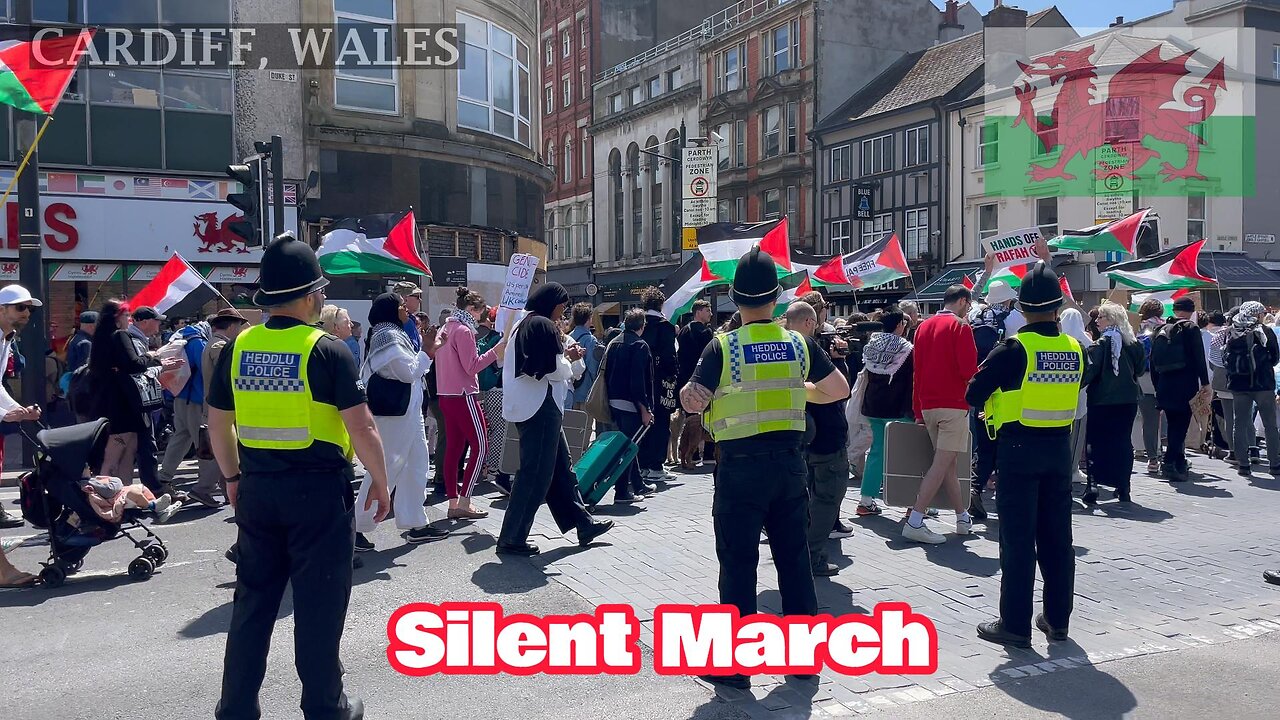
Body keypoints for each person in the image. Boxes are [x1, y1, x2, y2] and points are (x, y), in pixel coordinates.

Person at [208, 233, 390, 720]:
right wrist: (380, 480)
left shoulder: (238, 346)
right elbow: (362, 426)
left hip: (258, 490)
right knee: (318, 605)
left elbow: (217, 421)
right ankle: (325, 706)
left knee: (252, 606)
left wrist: (231, 479)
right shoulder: (327, 350)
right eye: (322, 292)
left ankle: (237, 708)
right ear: (310, 295)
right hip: (318, 496)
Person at [680, 247, 849, 690]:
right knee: (793, 560)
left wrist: (694, 395)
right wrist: (796, 388)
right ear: (776, 297)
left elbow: (693, 399)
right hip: (790, 468)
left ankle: (735, 666)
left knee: (738, 563)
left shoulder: (723, 346)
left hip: (740, 471)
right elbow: (838, 389)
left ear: (734, 299)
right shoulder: (799, 342)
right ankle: (803, 659)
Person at [967, 259, 1084, 649]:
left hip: (1017, 452)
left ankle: (1015, 624)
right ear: (1057, 306)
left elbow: (973, 393)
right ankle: (1057, 620)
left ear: (1021, 307)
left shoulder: (1013, 349)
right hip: (1058, 451)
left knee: (1017, 541)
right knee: (1057, 539)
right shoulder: (1075, 348)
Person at [496, 282, 613, 555]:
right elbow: (553, 370)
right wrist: (568, 358)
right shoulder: (542, 325)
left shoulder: (525, 323)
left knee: (561, 469)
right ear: (554, 304)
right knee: (535, 475)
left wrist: (563, 359)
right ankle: (512, 537)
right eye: (562, 306)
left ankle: (583, 523)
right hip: (540, 407)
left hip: (533, 405)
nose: (563, 312)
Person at [355, 293, 447, 549]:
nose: (407, 310)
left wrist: (428, 350)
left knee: (416, 465)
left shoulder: (392, 332)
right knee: (385, 469)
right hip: (394, 415)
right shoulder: (387, 335)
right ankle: (355, 526)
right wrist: (428, 351)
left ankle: (415, 523)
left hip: (407, 412)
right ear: (391, 310)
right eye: (402, 306)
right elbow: (407, 373)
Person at [905, 285, 977, 544]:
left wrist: (917, 409)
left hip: (928, 404)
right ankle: (915, 519)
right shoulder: (961, 327)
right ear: (962, 301)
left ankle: (962, 517)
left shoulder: (922, 327)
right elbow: (969, 370)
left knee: (947, 463)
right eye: (968, 304)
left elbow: (918, 371)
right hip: (954, 404)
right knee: (942, 463)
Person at [783, 301, 851, 578]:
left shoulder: (784, 348)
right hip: (825, 435)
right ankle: (811, 556)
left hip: (802, 434)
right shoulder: (808, 349)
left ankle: (803, 553)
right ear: (810, 322)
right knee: (827, 497)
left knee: (810, 496)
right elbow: (841, 389)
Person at [87, 300, 183, 489]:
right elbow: (135, 364)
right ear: (116, 319)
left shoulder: (101, 339)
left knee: (126, 452)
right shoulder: (121, 335)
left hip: (113, 399)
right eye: (126, 315)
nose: (129, 319)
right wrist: (152, 356)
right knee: (118, 453)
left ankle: (123, 495)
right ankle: (107, 496)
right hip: (124, 403)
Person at [435, 287, 507, 519]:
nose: (480, 317)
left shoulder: (445, 327)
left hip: (446, 395)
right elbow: (472, 366)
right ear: (471, 309)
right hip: (464, 395)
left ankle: (453, 502)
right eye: (479, 313)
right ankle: (464, 500)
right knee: (481, 446)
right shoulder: (463, 330)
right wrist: (496, 352)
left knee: (454, 450)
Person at [1082, 301, 1146, 502]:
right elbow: (1140, 369)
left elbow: (1090, 372)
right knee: (1122, 443)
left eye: (1100, 317)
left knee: (1095, 442)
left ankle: (1093, 484)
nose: (1097, 320)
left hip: (1102, 399)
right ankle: (1123, 486)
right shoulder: (1133, 343)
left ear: (1111, 319)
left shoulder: (1099, 344)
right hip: (1127, 399)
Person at [856, 305, 914, 518]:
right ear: (900, 325)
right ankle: (913, 504)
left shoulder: (872, 344)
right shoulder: (906, 348)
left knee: (877, 451)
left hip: (873, 406)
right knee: (907, 454)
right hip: (897, 409)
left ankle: (866, 500)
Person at [189, 308, 249, 508]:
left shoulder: (213, 343)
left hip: (216, 405)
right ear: (231, 326)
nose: (240, 330)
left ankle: (226, 490)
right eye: (239, 326)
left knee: (224, 448)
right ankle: (202, 489)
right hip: (221, 406)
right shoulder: (220, 346)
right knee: (221, 449)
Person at [966, 282, 1015, 522]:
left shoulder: (975, 314)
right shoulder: (1008, 318)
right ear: (1007, 300)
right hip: (1004, 390)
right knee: (1002, 441)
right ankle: (1002, 490)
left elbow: (971, 297)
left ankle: (975, 487)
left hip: (980, 383)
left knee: (985, 442)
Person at [1150, 296, 1209, 482]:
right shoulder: (1191, 329)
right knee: (1179, 427)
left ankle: (1179, 460)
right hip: (1185, 383)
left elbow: (1152, 362)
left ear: (1174, 310)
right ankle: (1169, 463)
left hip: (1164, 384)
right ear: (1192, 312)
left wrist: (1157, 385)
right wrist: (1205, 383)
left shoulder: (1160, 329)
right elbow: (1199, 357)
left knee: (1173, 422)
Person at [0, 285, 44, 529]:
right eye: (20, 307)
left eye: (28, 309)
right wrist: (6, 414)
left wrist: (19, 410)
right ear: (1, 309)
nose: (26, 313)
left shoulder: (6, 338)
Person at [1222, 301, 1280, 477]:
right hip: (1263, 385)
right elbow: (1275, 357)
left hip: (1239, 385)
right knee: (1270, 425)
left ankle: (1243, 464)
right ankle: (1274, 464)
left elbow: (1224, 358)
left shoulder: (1232, 331)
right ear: (1257, 314)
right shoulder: (1265, 331)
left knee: (1239, 423)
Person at [605, 309, 657, 504]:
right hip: (631, 404)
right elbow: (638, 382)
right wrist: (645, 409)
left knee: (629, 444)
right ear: (642, 326)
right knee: (629, 448)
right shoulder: (640, 346)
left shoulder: (615, 342)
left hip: (613, 400)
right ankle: (621, 492)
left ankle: (638, 484)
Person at [157, 316, 211, 495]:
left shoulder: (181, 338)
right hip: (196, 400)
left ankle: (163, 477)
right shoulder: (199, 343)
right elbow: (207, 371)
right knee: (203, 444)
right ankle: (204, 487)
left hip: (179, 397)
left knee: (180, 439)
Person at [638, 287, 679, 483]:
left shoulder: (637, 324)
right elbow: (670, 358)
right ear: (661, 304)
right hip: (661, 381)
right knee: (661, 422)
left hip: (639, 381)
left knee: (642, 422)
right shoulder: (666, 327)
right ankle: (656, 465)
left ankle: (642, 464)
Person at [675, 300, 715, 469]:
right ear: (698, 312)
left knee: (689, 419)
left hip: (685, 381)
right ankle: (707, 453)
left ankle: (687, 453)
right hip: (703, 381)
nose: (710, 314)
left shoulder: (683, 331)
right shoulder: (706, 333)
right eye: (707, 310)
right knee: (707, 418)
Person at [1061, 308, 1094, 485]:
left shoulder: (1060, 341)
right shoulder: (1086, 341)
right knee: (1077, 434)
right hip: (1081, 395)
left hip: (1061, 396)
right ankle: (1072, 469)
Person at [1136, 299, 1165, 473]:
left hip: (1145, 377)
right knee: (1172, 418)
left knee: (1149, 420)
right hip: (1166, 376)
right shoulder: (1168, 326)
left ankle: (1152, 458)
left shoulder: (1138, 328)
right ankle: (1175, 454)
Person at [568, 303, 601, 412]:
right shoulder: (590, 340)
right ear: (588, 319)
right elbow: (593, 366)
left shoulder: (568, 337)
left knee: (571, 425)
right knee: (586, 425)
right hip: (586, 388)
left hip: (570, 388)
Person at [392, 281, 424, 351]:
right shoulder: (394, 320)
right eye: (417, 297)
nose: (420, 300)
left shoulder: (411, 319)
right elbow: (412, 350)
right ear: (405, 298)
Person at [65, 311, 96, 375]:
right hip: (81, 382)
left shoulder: (76, 338)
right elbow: (85, 369)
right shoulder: (86, 343)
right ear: (92, 326)